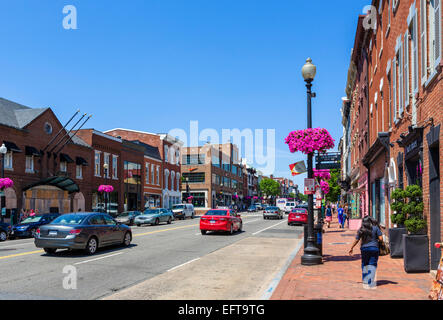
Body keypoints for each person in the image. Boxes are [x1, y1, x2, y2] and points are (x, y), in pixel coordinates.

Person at [348, 216, 383, 289]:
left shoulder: (361, 229)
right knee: (372, 264)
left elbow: (356, 239)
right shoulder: (375, 228)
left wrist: (351, 247)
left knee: (365, 263)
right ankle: (371, 281)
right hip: (374, 248)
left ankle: (365, 280)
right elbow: (381, 238)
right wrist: (377, 241)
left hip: (364, 249)